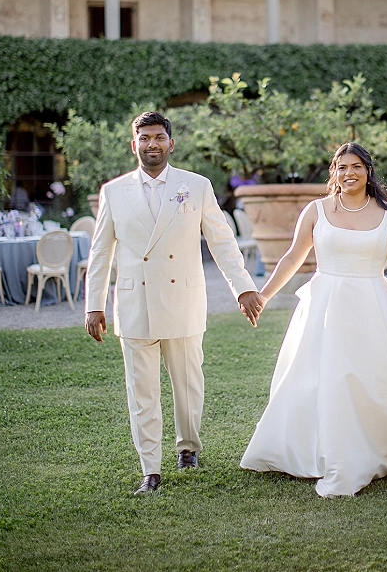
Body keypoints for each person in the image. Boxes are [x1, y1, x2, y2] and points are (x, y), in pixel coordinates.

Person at [241, 142, 387, 497]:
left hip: (373, 306)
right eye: (342, 167)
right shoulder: (316, 210)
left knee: (375, 377)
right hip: (325, 307)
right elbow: (292, 257)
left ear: (368, 171)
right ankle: (312, 447)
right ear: (334, 173)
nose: (349, 173)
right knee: (321, 377)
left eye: (356, 166)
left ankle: (377, 442)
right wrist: (263, 294)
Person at [85, 111, 263, 495]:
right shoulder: (113, 191)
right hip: (134, 302)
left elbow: (221, 241)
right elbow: (100, 252)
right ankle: (150, 469)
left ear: (171, 143)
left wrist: (243, 288)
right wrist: (93, 304)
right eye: (144, 138)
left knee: (187, 385)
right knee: (141, 392)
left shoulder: (196, 186)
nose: (152, 144)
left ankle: (188, 447)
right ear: (134, 145)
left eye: (159, 137)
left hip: (182, 298)